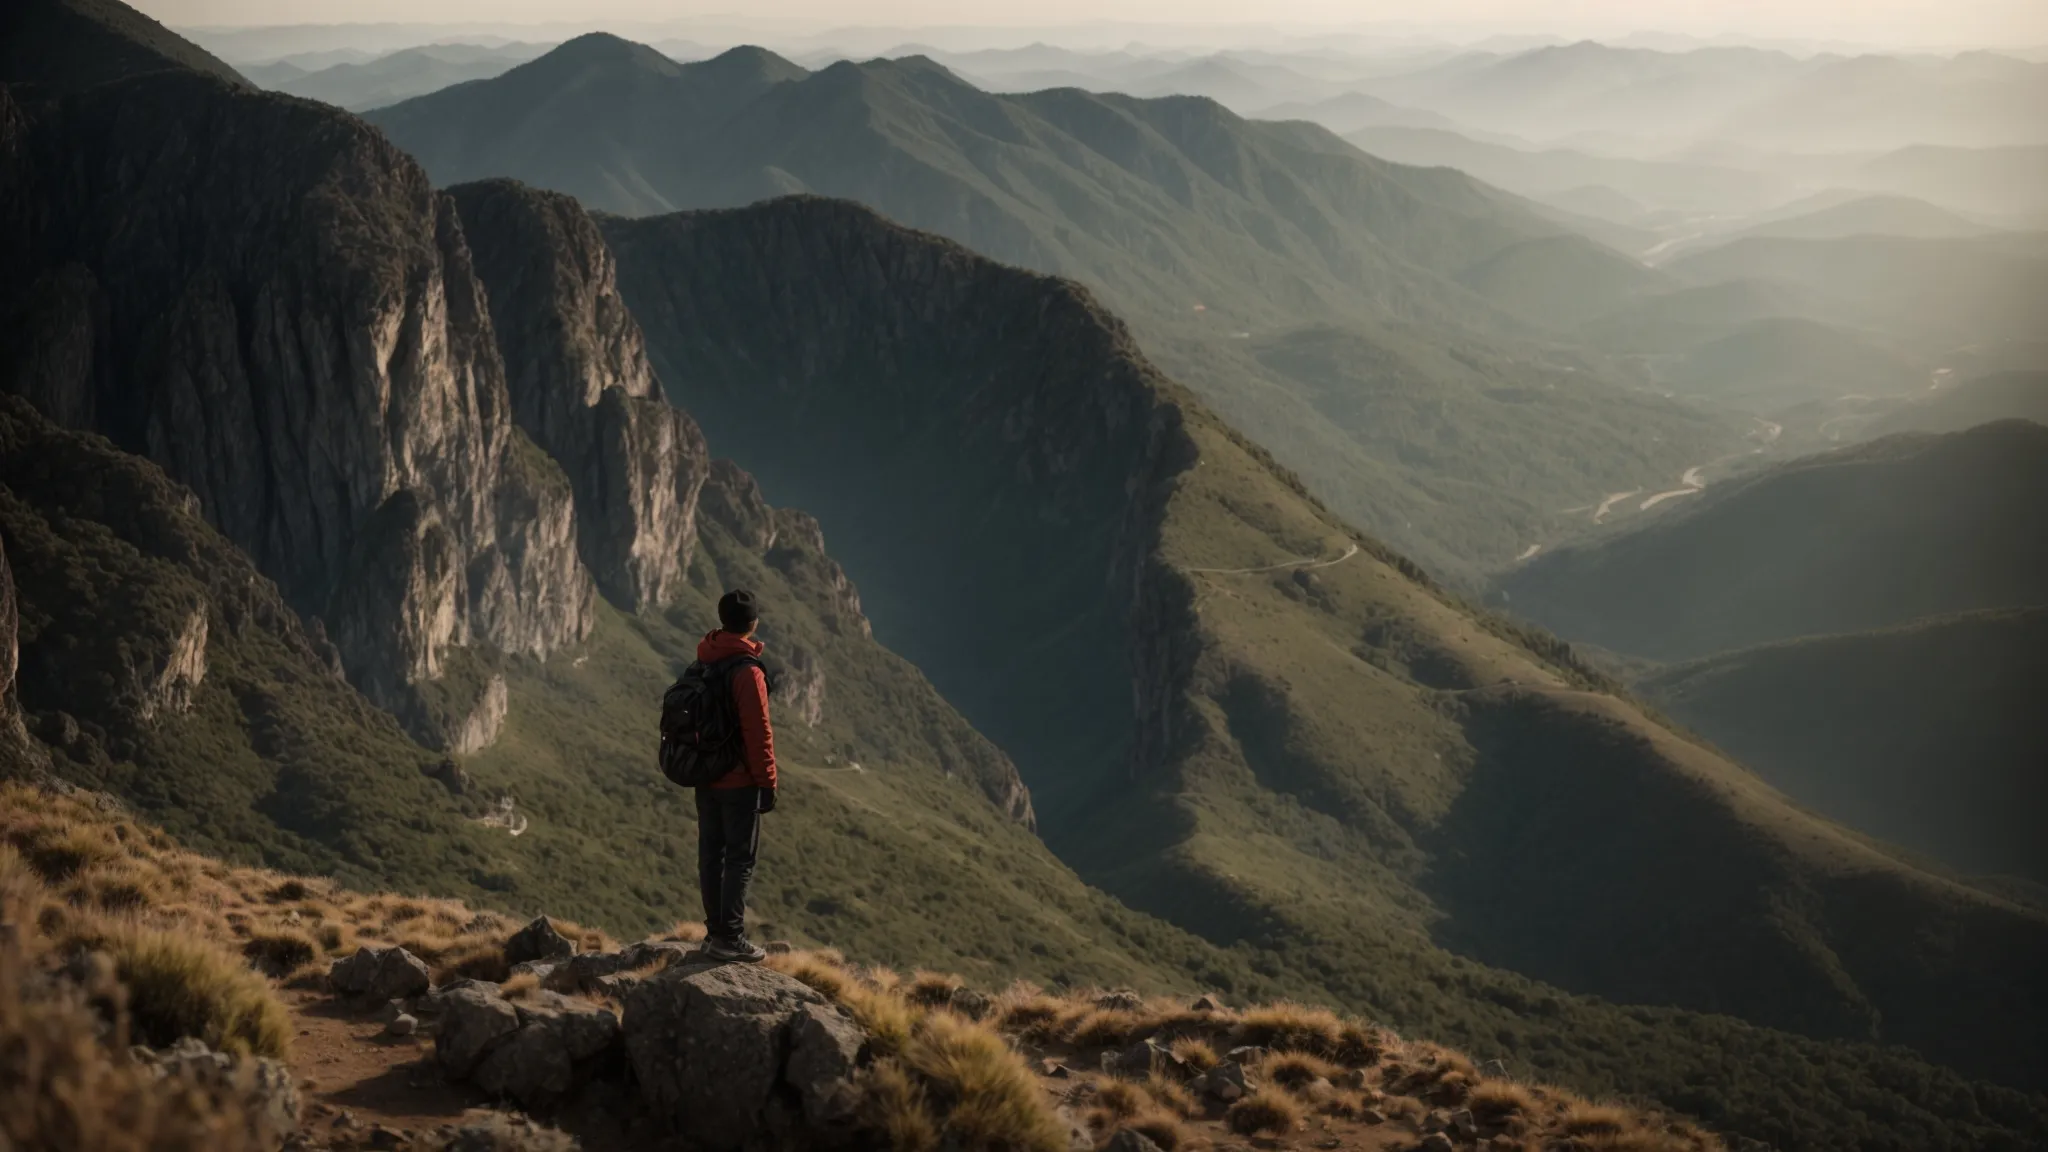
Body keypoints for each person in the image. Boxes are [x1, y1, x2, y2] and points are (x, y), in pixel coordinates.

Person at [695, 588, 778, 963]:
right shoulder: (747, 671)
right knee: (739, 860)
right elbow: (759, 732)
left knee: (711, 854)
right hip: (739, 781)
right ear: (753, 624)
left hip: (705, 775)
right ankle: (729, 936)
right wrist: (767, 782)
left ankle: (714, 933)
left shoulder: (705, 659)